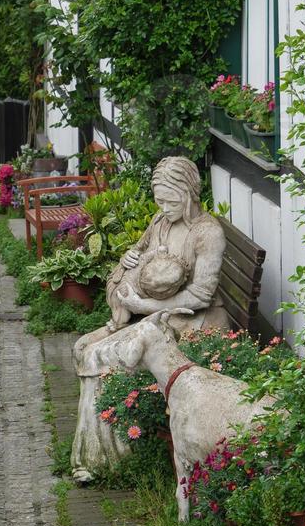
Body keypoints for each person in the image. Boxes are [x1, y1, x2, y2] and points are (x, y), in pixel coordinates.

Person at [71, 156, 228, 483]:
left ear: (188, 192)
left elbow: (200, 295)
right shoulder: (161, 222)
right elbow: (139, 252)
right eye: (159, 199)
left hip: (190, 323)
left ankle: (101, 461)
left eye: (170, 200)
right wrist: (131, 256)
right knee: (82, 345)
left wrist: (142, 306)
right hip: (153, 317)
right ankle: (109, 450)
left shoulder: (207, 233)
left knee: (95, 355)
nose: (164, 206)